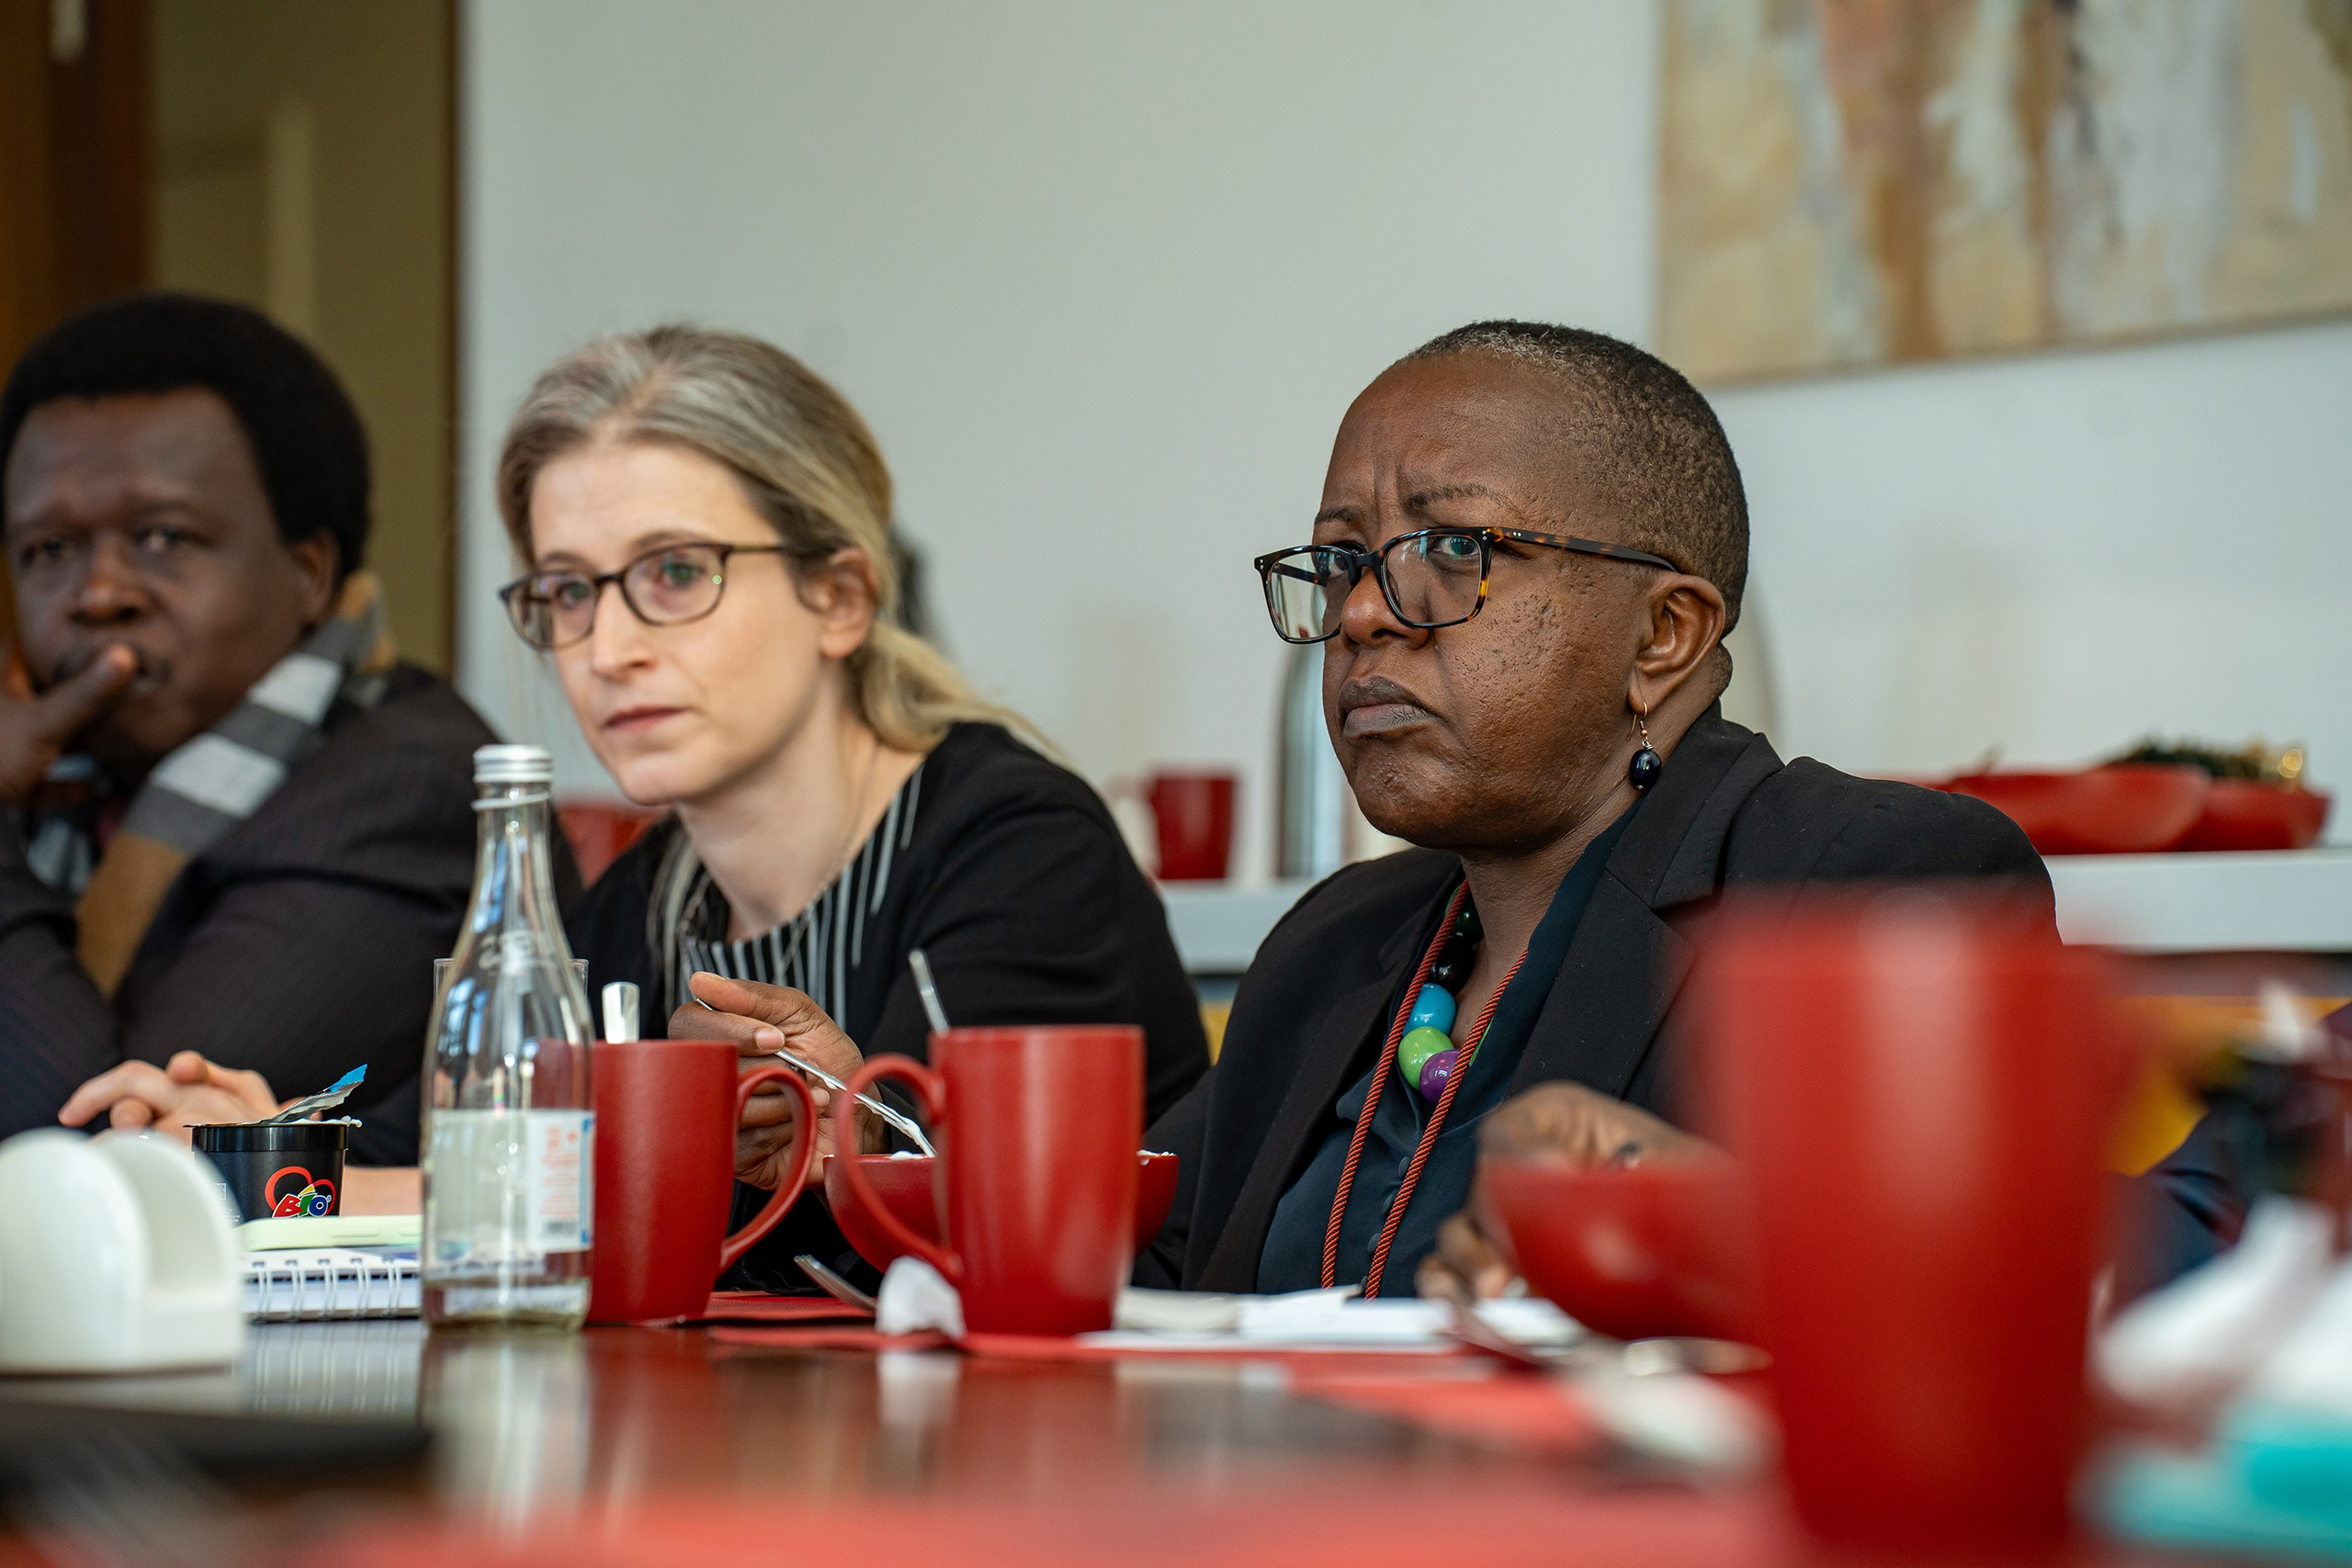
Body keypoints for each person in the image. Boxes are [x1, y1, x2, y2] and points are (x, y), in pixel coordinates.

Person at [1133, 320, 2064, 1299]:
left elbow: (1951, 1291)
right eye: (1340, 562)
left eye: (1452, 546)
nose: (1362, 614)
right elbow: (1136, 1287)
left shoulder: (1860, 884)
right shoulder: (1330, 946)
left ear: (1664, 635)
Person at [504, 325, 1208, 1289]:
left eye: (674, 573)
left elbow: (945, 1259)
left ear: (838, 597)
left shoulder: (1024, 854)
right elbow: (505, 1197)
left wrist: (853, 1137)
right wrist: (272, 1158)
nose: (606, 647)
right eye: (569, 589)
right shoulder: (632, 908)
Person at [1, 293, 525, 1164]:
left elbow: (120, 1159)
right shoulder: (56, 779)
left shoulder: (405, 787)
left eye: (163, 537)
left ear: (310, 574)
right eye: (49, 551)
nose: (99, 594)